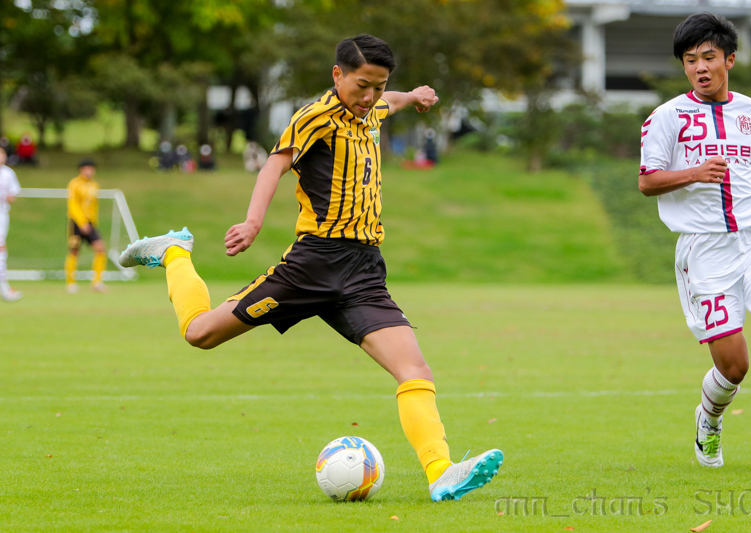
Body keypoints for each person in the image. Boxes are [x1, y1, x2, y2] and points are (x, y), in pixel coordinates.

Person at [120, 34, 503, 501]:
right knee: (199, 333)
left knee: (415, 369)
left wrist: (415, 94)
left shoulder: (376, 108)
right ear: (337, 75)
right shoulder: (315, 117)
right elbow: (274, 166)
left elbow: (395, 102)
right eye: (363, 85)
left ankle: (441, 471)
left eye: (380, 86)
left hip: (364, 271)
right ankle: (174, 252)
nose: (371, 97)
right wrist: (253, 221)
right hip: (312, 266)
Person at [639, 13, 751, 467]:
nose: (699, 67)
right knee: (734, 367)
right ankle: (708, 420)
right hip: (704, 251)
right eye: (690, 61)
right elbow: (648, 181)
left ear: (729, 58)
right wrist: (694, 172)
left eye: (708, 57)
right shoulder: (666, 118)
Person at [65, 159, 106, 293]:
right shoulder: (74, 184)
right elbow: (73, 204)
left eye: (91, 168)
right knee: (74, 250)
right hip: (76, 223)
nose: (89, 171)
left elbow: (94, 206)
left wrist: (92, 222)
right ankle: (71, 283)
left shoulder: (95, 185)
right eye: (86, 168)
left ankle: (97, 283)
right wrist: (81, 222)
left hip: (90, 223)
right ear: (81, 170)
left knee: (100, 248)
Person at [0, 147, 22, 302]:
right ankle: (5, 289)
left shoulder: (8, 173)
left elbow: (13, 194)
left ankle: (5, 288)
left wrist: (8, 197)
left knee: (1, 248)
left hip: (1, 215)